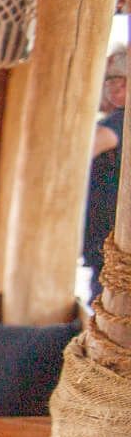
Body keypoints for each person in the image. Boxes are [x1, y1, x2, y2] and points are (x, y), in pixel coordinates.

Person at [82, 48, 127, 302]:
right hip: (108, 246)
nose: (113, 88)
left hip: (109, 247)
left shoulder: (120, 121)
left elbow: (84, 149)